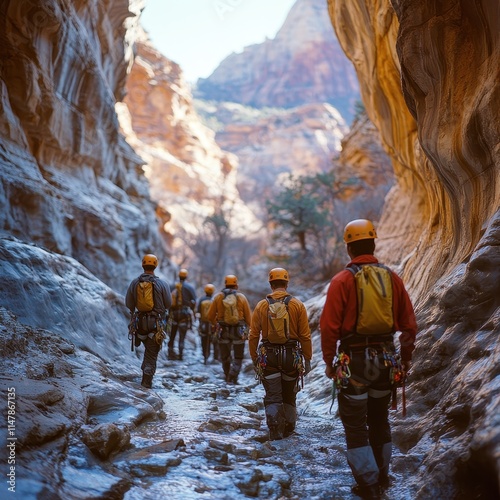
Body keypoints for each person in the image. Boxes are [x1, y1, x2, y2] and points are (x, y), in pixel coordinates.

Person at [320, 219, 417, 499]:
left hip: (354, 363)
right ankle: (382, 476)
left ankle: (368, 484)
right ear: (374, 243)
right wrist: (406, 359)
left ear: (348, 248)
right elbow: (409, 326)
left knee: (354, 425)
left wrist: (329, 362)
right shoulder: (392, 278)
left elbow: (329, 327)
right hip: (387, 361)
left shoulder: (342, 280)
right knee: (379, 419)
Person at [249, 267, 312, 441]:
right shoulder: (297, 305)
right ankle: (289, 430)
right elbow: (305, 336)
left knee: (273, 395)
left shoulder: (262, 306)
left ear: (271, 284)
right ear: (286, 283)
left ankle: (275, 430)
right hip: (291, 357)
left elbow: (253, 335)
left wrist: (255, 359)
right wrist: (307, 359)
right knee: (289, 394)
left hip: (268, 357)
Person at [125, 254, 171, 389]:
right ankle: (146, 383)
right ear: (155, 265)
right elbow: (168, 304)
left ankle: (145, 374)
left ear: (142, 265)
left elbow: (129, 303)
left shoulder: (134, 283)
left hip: (139, 325)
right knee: (151, 354)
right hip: (155, 324)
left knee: (148, 351)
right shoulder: (162, 283)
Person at [207, 274, 252, 384]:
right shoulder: (241, 297)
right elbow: (249, 318)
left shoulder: (218, 297)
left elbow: (209, 316)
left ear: (225, 285)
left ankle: (227, 375)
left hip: (223, 330)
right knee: (238, 356)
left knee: (225, 356)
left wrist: (215, 324)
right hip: (239, 331)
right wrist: (249, 329)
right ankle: (233, 376)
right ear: (236, 285)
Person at [167, 268, 197, 360]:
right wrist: (192, 311)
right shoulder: (190, 287)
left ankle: (170, 353)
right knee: (182, 336)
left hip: (174, 313)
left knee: (172, 335)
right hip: (184, 314)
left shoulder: (172, 286)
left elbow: (168, 300)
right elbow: (194, 301)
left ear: (178, 276)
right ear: (186, 276)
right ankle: (180, 355)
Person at [196, 283, 219, 364]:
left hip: (204, 324)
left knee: (204, 340)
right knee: (215, 340)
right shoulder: (214, 300)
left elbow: (198, 311)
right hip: (213, 324)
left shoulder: (201, 299)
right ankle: (215, 358)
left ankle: (205, 357)